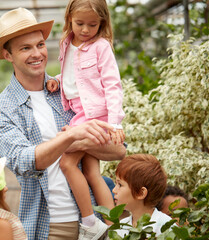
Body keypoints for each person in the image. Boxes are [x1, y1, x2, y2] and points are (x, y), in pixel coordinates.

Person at [0, 7, 126, 240]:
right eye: (25, 48)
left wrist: (83, 138)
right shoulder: (1, 110)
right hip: (48, 226)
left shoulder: (68, 92)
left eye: (40, 45)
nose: (37, 54)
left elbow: (119, 150)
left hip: (93, 223)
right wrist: (72, 136)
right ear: (7, 55)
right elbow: (25, 161)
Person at [45, 0, 125, 235]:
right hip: (79, 113)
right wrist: (58, 81)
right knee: (91, 171)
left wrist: (115, 122)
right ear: (69, 17)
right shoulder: (66, 44)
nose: (85, 30)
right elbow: (76, 75)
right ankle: (115, 229)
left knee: (67, 162)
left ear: (102, 23)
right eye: (80, 23)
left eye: (92, 25)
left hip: (94, 116)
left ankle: (90, 222)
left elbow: (112, 85)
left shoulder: (101, 47)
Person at [112, 154, 173, 237]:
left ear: (140, 193)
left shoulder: (165, 226)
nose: (114, 190)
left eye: (120, 184)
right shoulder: (122, 226)